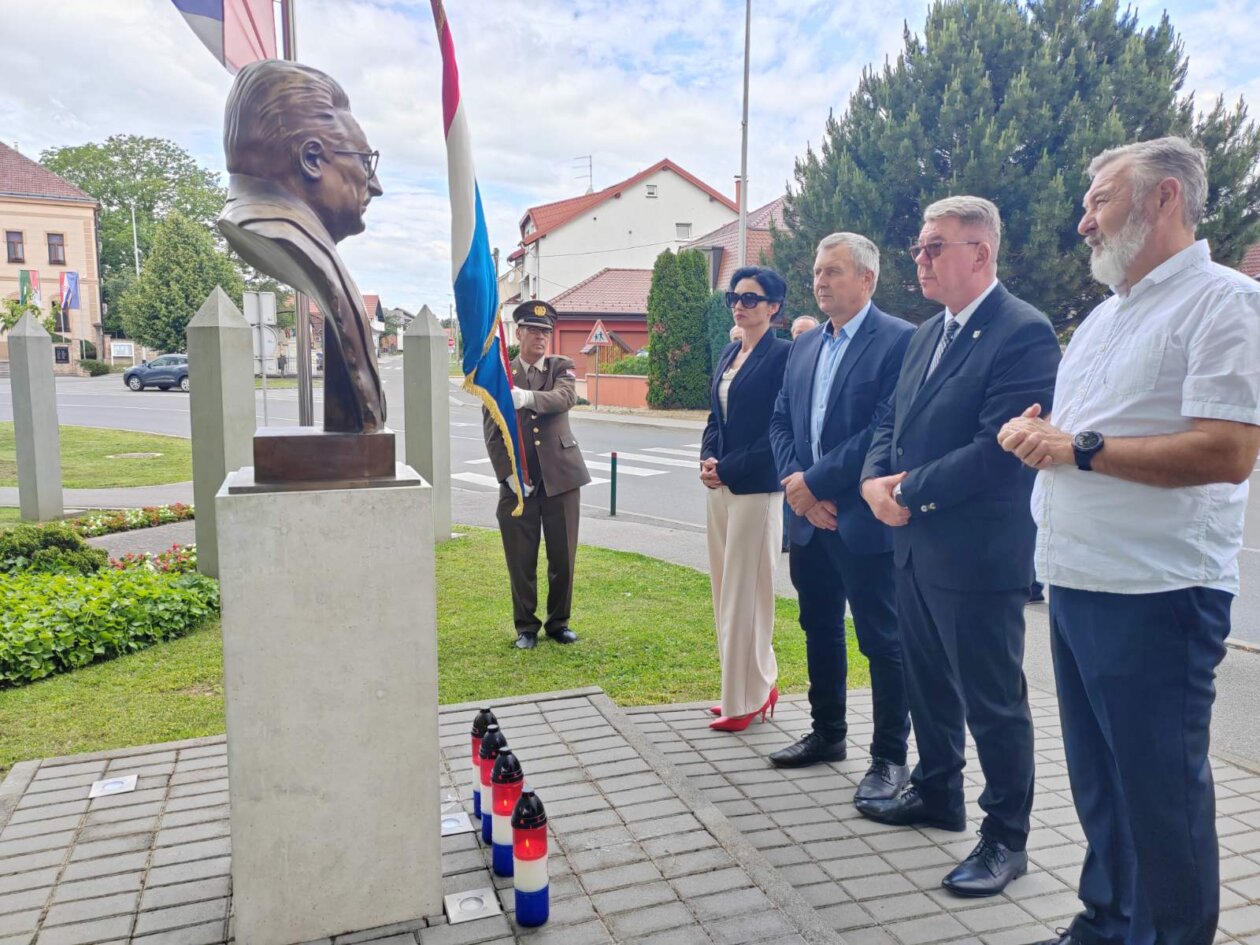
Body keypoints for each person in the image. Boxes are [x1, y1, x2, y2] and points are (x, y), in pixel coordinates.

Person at [999, 138, 1260, 945]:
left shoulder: (1224, 303)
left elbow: (1229, 448)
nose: (1083, 222)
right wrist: (1042, 431)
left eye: (1100, 201)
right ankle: (1106, 925)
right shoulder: (1110, 315)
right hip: (1078, 578)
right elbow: (1087, 432)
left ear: (1165, 199)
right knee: (1102, 785)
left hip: (1157, 591)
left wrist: (1079, 448)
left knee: (1159, 796)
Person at [858, 196, 1061, 896]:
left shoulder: (1022, 332)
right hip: (912, 547)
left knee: (993, 700)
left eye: (934, 246)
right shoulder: (926, 333)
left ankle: (1006, 837)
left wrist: (905, 488)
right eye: (919, 246)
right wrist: (869, 482)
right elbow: (890, 418)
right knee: (926, 682)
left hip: (977, 554)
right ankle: (936, 789)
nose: (919, 257)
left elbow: (996, 452)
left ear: (981, 252)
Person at [767, 234, 914, 809]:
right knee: (819, 627)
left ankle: (889, 756)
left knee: (883, 639)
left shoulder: (900, 341)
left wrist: (817, 484)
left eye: (832, 272)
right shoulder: (802, 346)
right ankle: (828, 734)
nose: (820, 282)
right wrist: (799, 491)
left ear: (867, 279)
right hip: (810, 519)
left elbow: (885, 430)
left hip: (863, 520)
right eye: (816, 272)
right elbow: (781, 422)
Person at [218, 59, 385, 434]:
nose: (375, 186)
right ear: (311, 159)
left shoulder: (312, 244)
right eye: (365, 163)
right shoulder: (293, 241)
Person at [700, 267, 791, 732]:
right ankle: (750, 685)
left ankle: (747, 699)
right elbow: (716, 416)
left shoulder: (784, 357)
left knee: (747, 596)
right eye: (735, 297)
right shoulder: (730, 351)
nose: (740, 304)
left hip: (758, 489)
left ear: (774, 307)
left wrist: (729, 467)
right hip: (722, 490)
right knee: (724, 592)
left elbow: (778, 430)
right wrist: (707, 459)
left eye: (751, 298)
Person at [483, 301, 592, 650]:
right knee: (521, 557)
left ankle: (559, 622)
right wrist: (507, 476)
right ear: (519, 334)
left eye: (546, 332)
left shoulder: (562, 366)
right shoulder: (501, 374)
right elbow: (492, 432)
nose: (541, 337)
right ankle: (526, 627)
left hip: (561, 477)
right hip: (520, 483)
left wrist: (526, 397)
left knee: (562, 556)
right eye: (534, 330)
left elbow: (564, 398)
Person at [781, 313, 822, 551]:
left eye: (808, 332)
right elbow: (779, 419)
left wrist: (813, 484)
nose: (803, 337)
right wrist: (795, 474)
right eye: (798, 333)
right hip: (793, 468)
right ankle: (785, 538)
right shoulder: (787, 361)